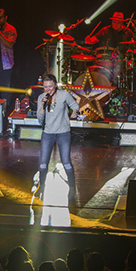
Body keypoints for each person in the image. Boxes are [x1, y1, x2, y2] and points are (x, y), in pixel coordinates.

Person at [36, 74, 79, 203]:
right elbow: (39, 118)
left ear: (55, 85)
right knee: (43, 163)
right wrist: (43, 106)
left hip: (63, 132)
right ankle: (42, 186)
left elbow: (75, 105)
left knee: (66, 162)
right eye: (45, 87)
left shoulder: (64, 95)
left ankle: (72, 187)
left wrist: (75, 112)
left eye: (50, 86)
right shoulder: (41, 97)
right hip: (48, 133)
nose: (48, 89)